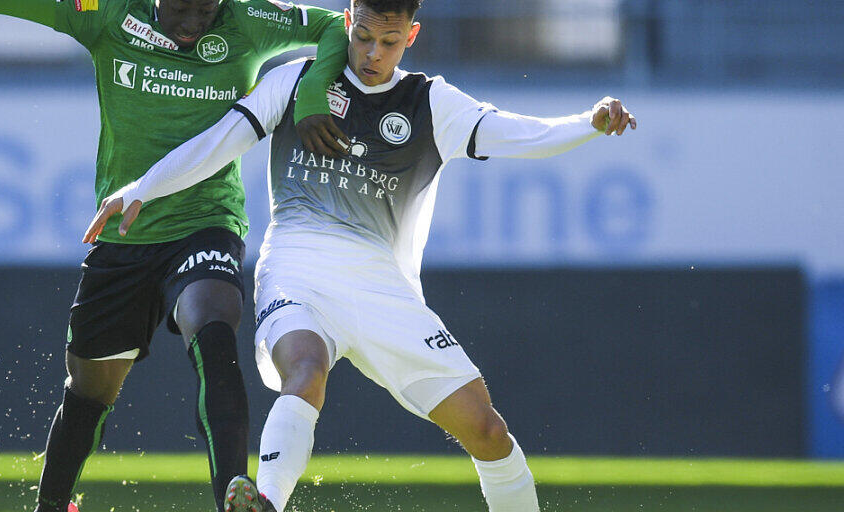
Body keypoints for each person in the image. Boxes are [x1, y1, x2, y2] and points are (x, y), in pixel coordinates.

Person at [84, 0, 637, 510]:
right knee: (306, 370)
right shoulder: (298, 81)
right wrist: (141, 188)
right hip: (297, 264)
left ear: (411, 36)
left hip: (382, 286)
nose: (372, 53)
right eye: (363, 36)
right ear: (347, 21)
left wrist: (587, 123)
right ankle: (265, 503)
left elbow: (517, 133)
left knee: (488, 432)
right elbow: (219, 142)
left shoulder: (429, 102)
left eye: (389, 42)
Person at [0, 1, 355, 511]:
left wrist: (313, 94)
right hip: (124, 236)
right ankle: (51, 505)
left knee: (215, 333)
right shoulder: (105, 13)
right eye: (182, 8)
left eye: (207, 10)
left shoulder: (250, 18)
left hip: (205, 223)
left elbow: (336, 26)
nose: (193, 25)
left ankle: (234, 494)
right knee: (89, 391)